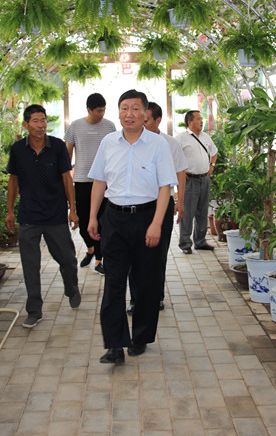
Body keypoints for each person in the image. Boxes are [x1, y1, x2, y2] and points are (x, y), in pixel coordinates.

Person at [87, 90, 177, 364]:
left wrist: (157, 224)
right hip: (114, 218)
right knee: (113, 282)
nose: (129, 114)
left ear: (145, 113)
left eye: (135, 108)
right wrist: (93, 217)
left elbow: (165, 187)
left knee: (146, 282)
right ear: (119, 112)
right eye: (124, 108)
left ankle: (140, 337)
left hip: (147, 218)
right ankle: (114, 345)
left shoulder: (158, 145)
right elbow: (99, 181)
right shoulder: (108, 142)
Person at [5, 104, 81, 329]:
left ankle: (71, 287)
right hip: (29, 216)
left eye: (43, 120)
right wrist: (10, 211)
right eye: (36, 121)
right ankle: (34, 310)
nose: (41, 125)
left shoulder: (57, 146)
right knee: (30, 266)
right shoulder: (17, 149)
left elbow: (67, 178)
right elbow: (13, 181)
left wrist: (72, 210)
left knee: (67, 259)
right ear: (26, 124)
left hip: (55, 214)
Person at [127, 101, 187, 315]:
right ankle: (135, 299)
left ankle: (156, 297)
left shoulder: (169, 143)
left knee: (158, 254)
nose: (141, 123)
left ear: (158, 121)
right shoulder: (131, 142)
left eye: (146, 120)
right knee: (134, 255)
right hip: (135, 206)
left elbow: (180, 172)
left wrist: (180, 201)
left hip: (162, 205)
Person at [64, 93, 116, 275]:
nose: (102, 114)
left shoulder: (110, 126)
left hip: (104, 182)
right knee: (84, 221)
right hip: (82, 181)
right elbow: (67, 155)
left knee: (102, 221)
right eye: (98, 111)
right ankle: (91, 249)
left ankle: (99, 260)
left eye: (104, 110)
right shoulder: (75, 126)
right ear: (89, 110)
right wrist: (65, 177)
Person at [176, 110, 218, 254]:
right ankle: (185, 243)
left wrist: (212, 165)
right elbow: (171, 156)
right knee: (187, 213)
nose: (201, 121)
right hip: (190, 181)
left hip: (204, 179)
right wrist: (180, 172)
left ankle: (200, 242)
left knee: (202, 211)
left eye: (201, 119)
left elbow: (214, 152)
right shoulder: (181, 138)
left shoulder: (205, 137)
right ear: (190, 122)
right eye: (198, 119)